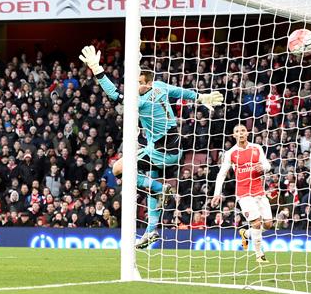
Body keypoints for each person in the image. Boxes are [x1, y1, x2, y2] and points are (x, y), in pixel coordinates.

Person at [78, 46, 223, 249]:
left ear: (147, 84)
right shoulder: (160, 86)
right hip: (173, 149)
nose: (134, 86)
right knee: (149, 185)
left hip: (162, 151)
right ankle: (151, 230)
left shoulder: (140, 101)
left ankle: (161, 190)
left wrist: (97, 69)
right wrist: (201, 97)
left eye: (138, 83)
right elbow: (180, 92)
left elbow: (113, 95)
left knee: (118, 169)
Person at [211, 124, 272, 263]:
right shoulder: (230, 153)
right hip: (243, 193)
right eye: (237, 131)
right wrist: (217, 193)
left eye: (243, 131)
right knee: (256, 223)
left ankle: (246, 233)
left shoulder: (257, 148)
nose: (241, 133)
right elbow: (222, 174)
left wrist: (263, 168)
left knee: (268, 224)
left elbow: (267, 165)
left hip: (259, 191)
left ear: (247, 133)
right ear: (234, 135)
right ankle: (259, 255)